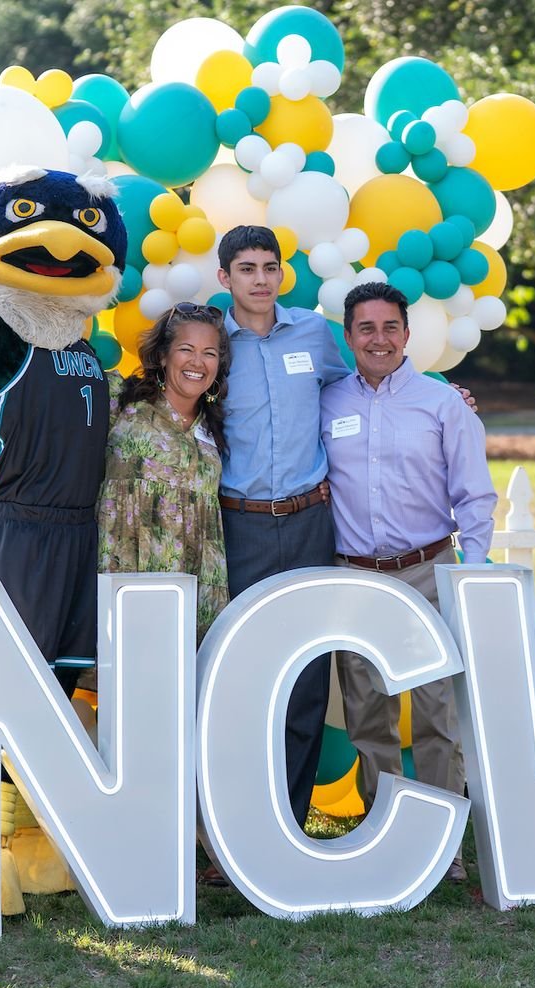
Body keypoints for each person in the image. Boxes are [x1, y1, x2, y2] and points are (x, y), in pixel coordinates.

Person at [320, 282, 496, 883]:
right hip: (356, 577)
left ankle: (443, 846)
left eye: (390, 327)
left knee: (435, 713)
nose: (379, 339)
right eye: (366, 328)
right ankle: (384, 835)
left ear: (407, 333)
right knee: (367, 711)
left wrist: (472, 572)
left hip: (427, 570)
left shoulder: (443, 403)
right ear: (349, 337)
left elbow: (474, 494)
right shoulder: (327, 402)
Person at [215, 226, 350, 833]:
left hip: (308, 523)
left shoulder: (314, 334)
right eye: (247, 269)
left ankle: (289, 824)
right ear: (225, 278)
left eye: (270, 267)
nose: (261, 279)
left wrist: (445, 397)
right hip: (237, 526)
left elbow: (357, 393)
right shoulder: (212, 343)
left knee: (307, 673)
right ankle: (235, 826)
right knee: (237, 673)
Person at [98, 302, 231, 640]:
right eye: (186, 349)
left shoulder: (216, 426)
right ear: (162, 356)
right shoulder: (120, 400)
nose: (197, 362)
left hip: (196, 578)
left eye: (209, 353)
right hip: (126, 568)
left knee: (189, 667)